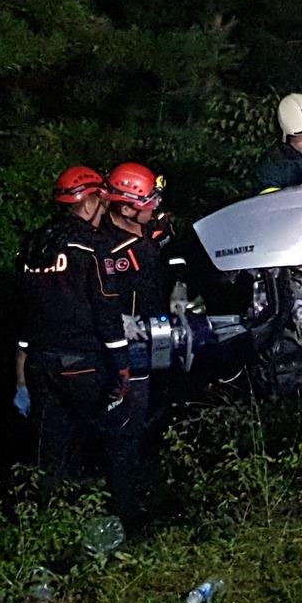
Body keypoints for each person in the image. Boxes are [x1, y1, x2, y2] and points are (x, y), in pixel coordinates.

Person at [14, 166, 142, 526]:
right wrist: (122, 368)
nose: (103, 211)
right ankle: (123, 524)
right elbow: (107, 313)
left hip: (40, 364)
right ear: (89, 203)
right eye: (101, 203)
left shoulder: (34, 245)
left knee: (50, 453)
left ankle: (47, 527)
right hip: (84, 363)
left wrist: (21, 375)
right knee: (116, 439)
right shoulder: (94, 247)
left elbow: (25, 315)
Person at [100, 162, 174, 430]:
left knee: (165, 398)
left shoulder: (158, 226)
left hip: (165, 329)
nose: (155, 205)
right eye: (148, 201)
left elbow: (177, 259)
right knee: (131, 416)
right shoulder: (105, 246)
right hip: (131, 344)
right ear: (126, 208)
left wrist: (182, 288)